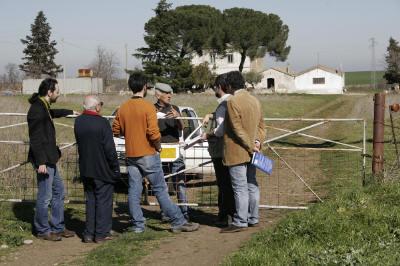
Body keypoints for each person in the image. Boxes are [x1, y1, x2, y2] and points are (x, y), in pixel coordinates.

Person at [112, 72, 199, 233]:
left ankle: (138, 225)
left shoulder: (123, 107)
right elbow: (153, 132)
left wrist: (131, 134)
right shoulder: (147, 107)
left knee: (134, 190)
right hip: (148, 153)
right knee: (160, 189)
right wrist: (158, 146)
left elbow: (116, 130)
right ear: (145, 87)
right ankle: (178, 220)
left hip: (131, 154)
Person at [27, 78, 78, 241]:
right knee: (45, 196)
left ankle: (58, 227)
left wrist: (69, 112)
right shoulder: (36, 109)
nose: (59, 93)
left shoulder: (44, 106)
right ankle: (42, 230)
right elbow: (35, 138)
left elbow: (52, 113)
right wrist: (40, 162)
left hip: (50, 158)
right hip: (44, 160)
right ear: (49, 92)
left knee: (58, 191)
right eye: (57, 91)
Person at [220, 71, 266, 233]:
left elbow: (237, 128)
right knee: (252, 184)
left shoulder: (232, 101)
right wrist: (257, 143)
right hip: (253, 150)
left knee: (240, 187)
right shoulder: (254, 100)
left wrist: (248, 145)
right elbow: (261, 126)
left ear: (230, 86)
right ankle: (253, 217)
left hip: (238, 150)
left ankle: (240, 220)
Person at [74, 95, 120, 243]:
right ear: (97, 107)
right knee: (104, 201)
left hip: (86, 167)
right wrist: (115, 167)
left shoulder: (78, 121)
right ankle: (101, 233)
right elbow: (110, 149)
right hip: (102, 168)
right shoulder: (102, 123)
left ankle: (88, 233)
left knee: (91, 200)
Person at [201, 73, 235, 227]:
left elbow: (220, 130)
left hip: (221, 150)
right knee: (230, 183)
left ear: (219, 87)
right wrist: (211, 114)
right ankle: (228, 215)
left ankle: (226, 216)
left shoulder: (223, 104)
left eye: (215, 87)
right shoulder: (233, 101)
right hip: (232, 150)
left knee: (224, 184)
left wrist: (208, 135)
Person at [154, 82, 189, 220]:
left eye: (170, 93)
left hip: (174, 149)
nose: (170, 95)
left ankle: (184, 212)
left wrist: (178, 117)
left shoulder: (174, 108)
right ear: (158, 94)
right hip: (160, 150)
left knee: (179, 182)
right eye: (167, 93)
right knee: (162, 183)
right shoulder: (151, 109)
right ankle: (165, 212)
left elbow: (181, 127)